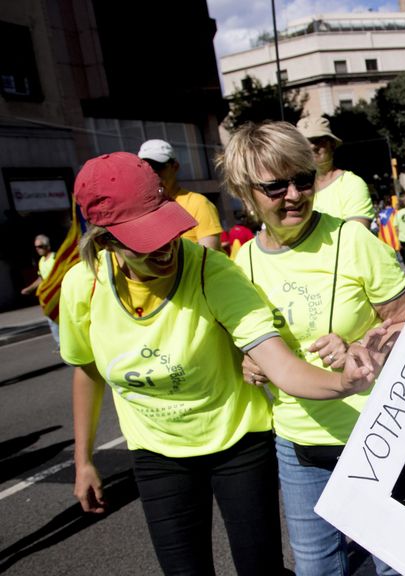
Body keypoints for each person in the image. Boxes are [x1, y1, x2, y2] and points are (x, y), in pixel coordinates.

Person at [63, 152, 387, 576]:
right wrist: (84, 460)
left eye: (165, 230)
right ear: (105, 242)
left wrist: (344, 382)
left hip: (236, 441)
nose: (164, 248)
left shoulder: (212, 272)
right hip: (156, 450)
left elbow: (282, 367)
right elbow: (86, 369)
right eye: (143, 241)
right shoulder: (83, 286)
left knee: (259, 568)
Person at [221, 122, 405, 576]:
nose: (294, 195)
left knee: (393, 563)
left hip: (376, 430)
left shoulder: (353, 240)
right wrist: (248, 362)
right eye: (275, 186)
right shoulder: (242, 262)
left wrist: (364, 345)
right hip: (297, 440)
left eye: (302, 179)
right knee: (316, 568)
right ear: (245, 192)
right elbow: (247, 340)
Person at [138, 139, 223, 250]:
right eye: (147, 168)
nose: (154, 173)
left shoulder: (198, 203)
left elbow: (209, 256)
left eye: (158, 166)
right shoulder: (140, 209)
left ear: (175, 166)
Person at [297, 115, 374, 229]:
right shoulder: (291, 189)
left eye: (319, 141)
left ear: (332, 145)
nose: (312, 146)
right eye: (304, 142)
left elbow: (356, 238)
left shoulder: (351, 184)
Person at [21, 234, 60, 344]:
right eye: (36, 247)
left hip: (59, 295)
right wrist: (29, 289)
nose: (38, 249)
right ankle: (60, 344)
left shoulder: (55, 257)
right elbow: (41, 278)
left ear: (47, 246)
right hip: (49, 298)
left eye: (40, 246)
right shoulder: (41, 261)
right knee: (52, 320)